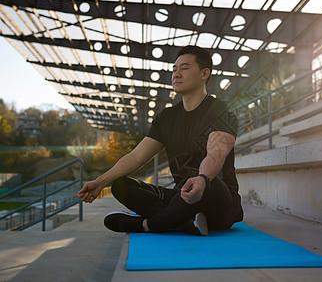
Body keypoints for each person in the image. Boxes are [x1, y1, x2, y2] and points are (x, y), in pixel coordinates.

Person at [77, 45, 243, 236]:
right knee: (120, 185)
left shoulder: (221, 111)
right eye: (174, 69)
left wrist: (202, 178)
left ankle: (147, 225)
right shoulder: (166, 118)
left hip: (218, 201)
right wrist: (100, 182)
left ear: (204, 73)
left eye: (184, 68)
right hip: (182, 196)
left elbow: (215, 155)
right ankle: (186, 223)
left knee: (210, 184)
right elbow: (136, 157)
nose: (176, 74)